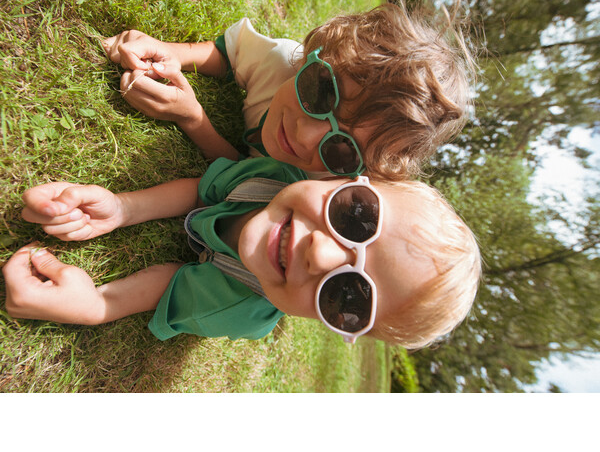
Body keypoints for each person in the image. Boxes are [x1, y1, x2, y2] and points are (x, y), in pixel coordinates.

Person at [2, 156, 480, 349]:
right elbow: (202, 190)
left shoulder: (240, 309)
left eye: (348, 297)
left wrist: (95, 306)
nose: (320, 255)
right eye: (357, 216)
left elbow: (169, 285)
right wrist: (123, 208)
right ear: (348, 179)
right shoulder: (273, 178)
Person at [102, 2, 474, 180]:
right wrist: (173, 53)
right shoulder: (280, 61)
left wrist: (192, 118)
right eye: (322, 92)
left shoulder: (320, 182)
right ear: (319, 54)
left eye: (343, 149)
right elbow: (230, 53)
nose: (306, 136)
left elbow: (243, 177)